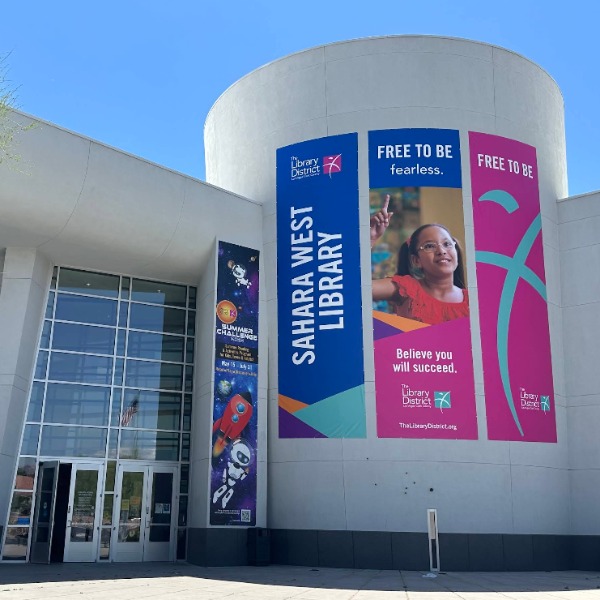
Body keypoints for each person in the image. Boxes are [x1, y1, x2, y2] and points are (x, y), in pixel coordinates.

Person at [370, 194, 469, 325]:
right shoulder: (406, 288)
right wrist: (369, 239)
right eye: (429, 246)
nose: (441, 251)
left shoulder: (474, 301)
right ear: (416, 260)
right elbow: (352, 288)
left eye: (447, 244)